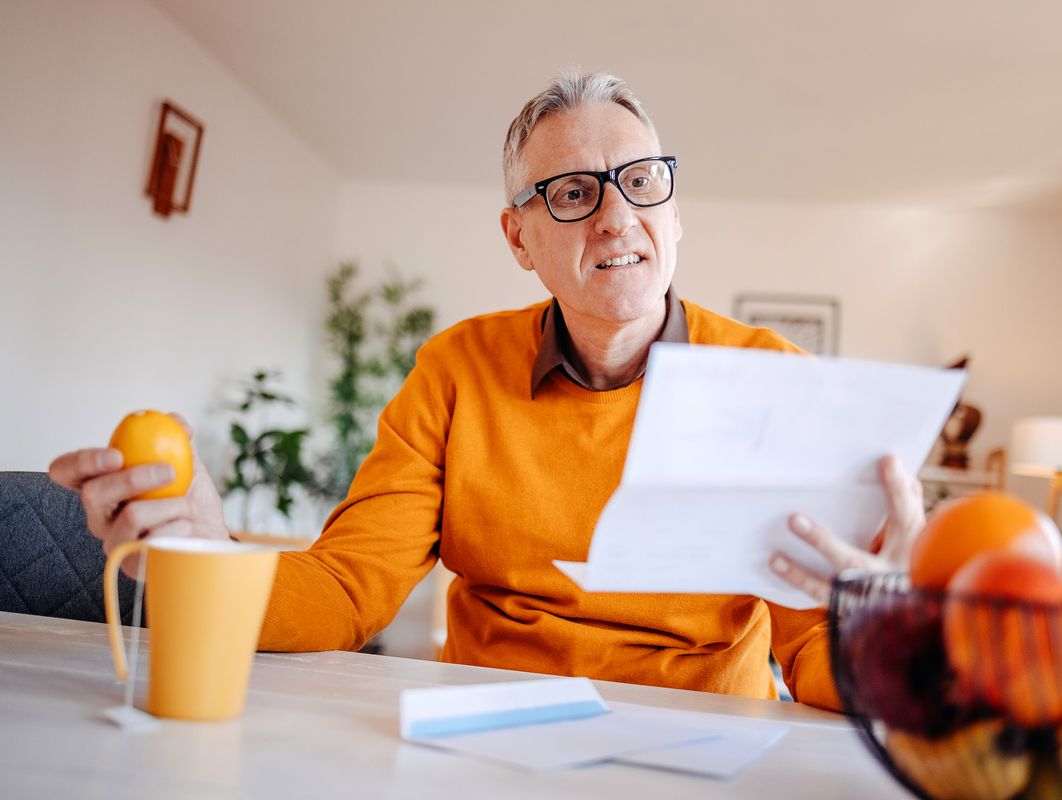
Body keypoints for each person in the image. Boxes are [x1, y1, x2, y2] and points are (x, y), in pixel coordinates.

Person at [48, 70, 924, 710]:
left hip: (705, 750)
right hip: (488, 737)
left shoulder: (774, 380)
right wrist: (209, 548)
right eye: (574, 193)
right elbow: (351, 589)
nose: (618, 217)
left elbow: (812, 648)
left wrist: (897, 635)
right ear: (519, 238)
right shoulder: (456, 369)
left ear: (674, 210)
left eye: (641, 182)